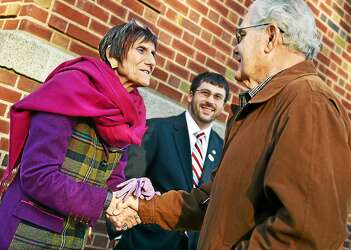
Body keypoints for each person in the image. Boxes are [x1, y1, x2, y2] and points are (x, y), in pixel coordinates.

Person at [110, 1, 351, 249]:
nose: (235, 48)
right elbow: (213, 200)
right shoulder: (263, 107)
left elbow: (304, 233)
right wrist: (143, 207)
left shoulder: (310, 103)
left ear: (270, 37)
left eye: (241, 35)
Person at [0, 19, 157, 249]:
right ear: (112, 55)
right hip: (27, 232)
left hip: (74, 236)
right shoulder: (70, 88)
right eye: (141, 50)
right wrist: (106, 201)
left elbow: (112, 177)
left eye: (153, 53)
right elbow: (37, 175)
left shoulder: (129, 112)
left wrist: (128, 197)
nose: (152, 62)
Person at [111, 72, 229, 250]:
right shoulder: (155, 129)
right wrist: (119, 232)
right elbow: (127, 181)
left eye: (218, 97)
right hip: (144, 242)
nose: (210, 101)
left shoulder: (223, 149)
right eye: (205, 93)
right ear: (190, 95)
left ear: (223, 106)